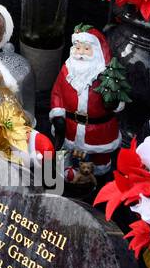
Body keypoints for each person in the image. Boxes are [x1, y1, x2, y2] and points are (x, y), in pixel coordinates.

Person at [49, 27, 124, 180]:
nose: (81, 52)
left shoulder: (106, 76)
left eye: (86, 48)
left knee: (99, 156)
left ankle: (99, 173)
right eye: (78, 47)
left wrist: (114, 102)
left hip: (97, 129)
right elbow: (57, 92)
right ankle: (65, 171)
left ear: (96, 51)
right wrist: (57, 113)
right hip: (70, 125)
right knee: (65, 150)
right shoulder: (67, 70)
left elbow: (116, 100)